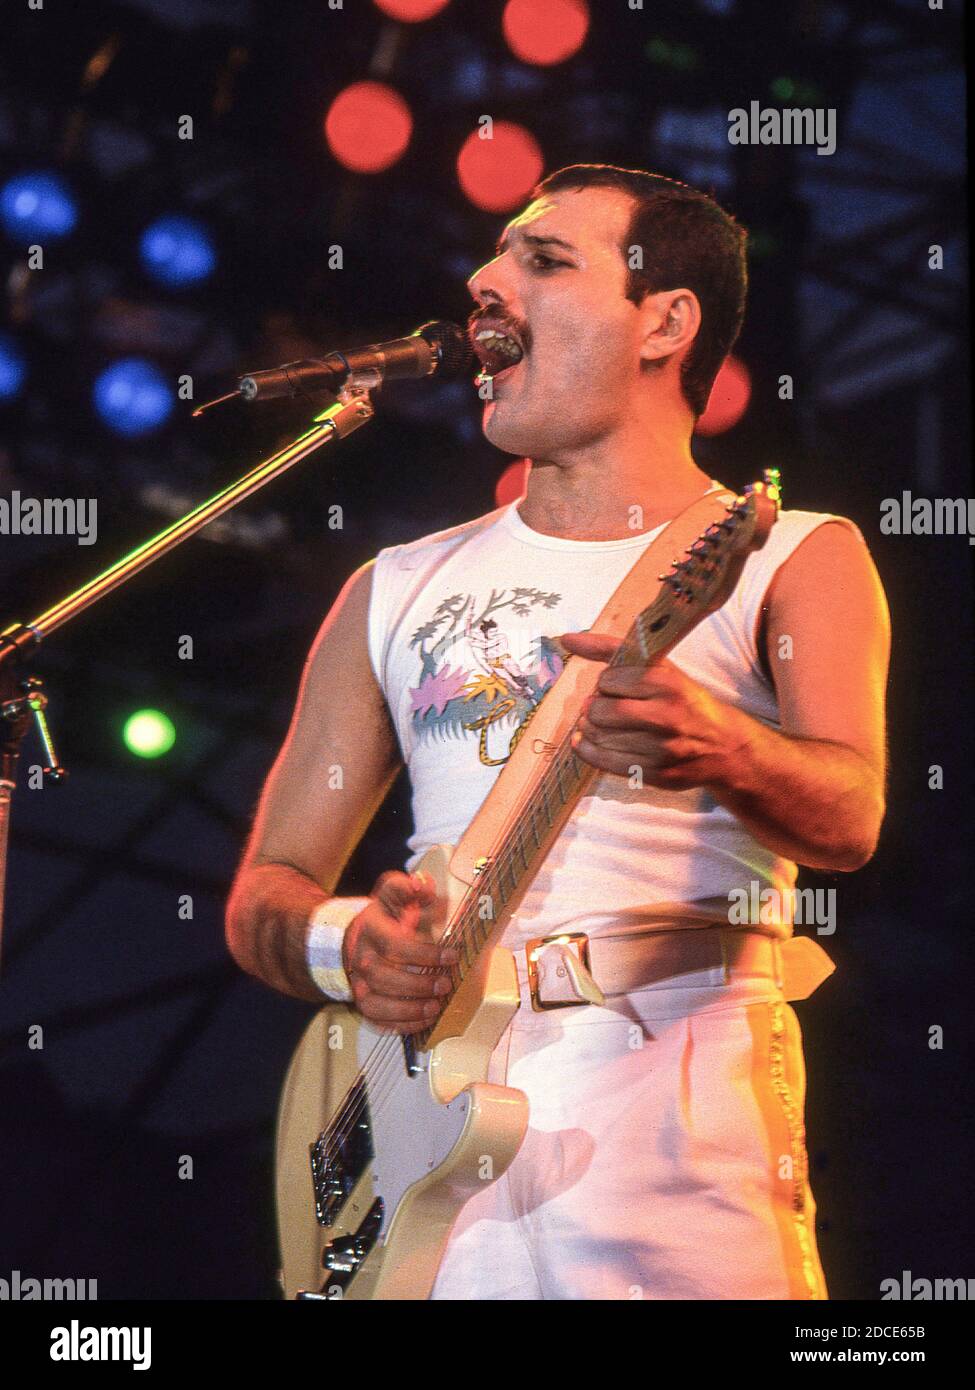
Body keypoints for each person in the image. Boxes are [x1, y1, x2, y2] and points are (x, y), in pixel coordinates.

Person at [225, 164, 890, 1300]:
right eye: (492, 259)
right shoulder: (392, 586)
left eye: (542, 261)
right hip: (423, 1143)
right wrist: (355, 944)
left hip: (675, 1138)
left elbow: (851, 820)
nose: (483, 283)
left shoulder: (788, 553)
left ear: (664, 323)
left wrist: (720, 747)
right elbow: (264, 896)